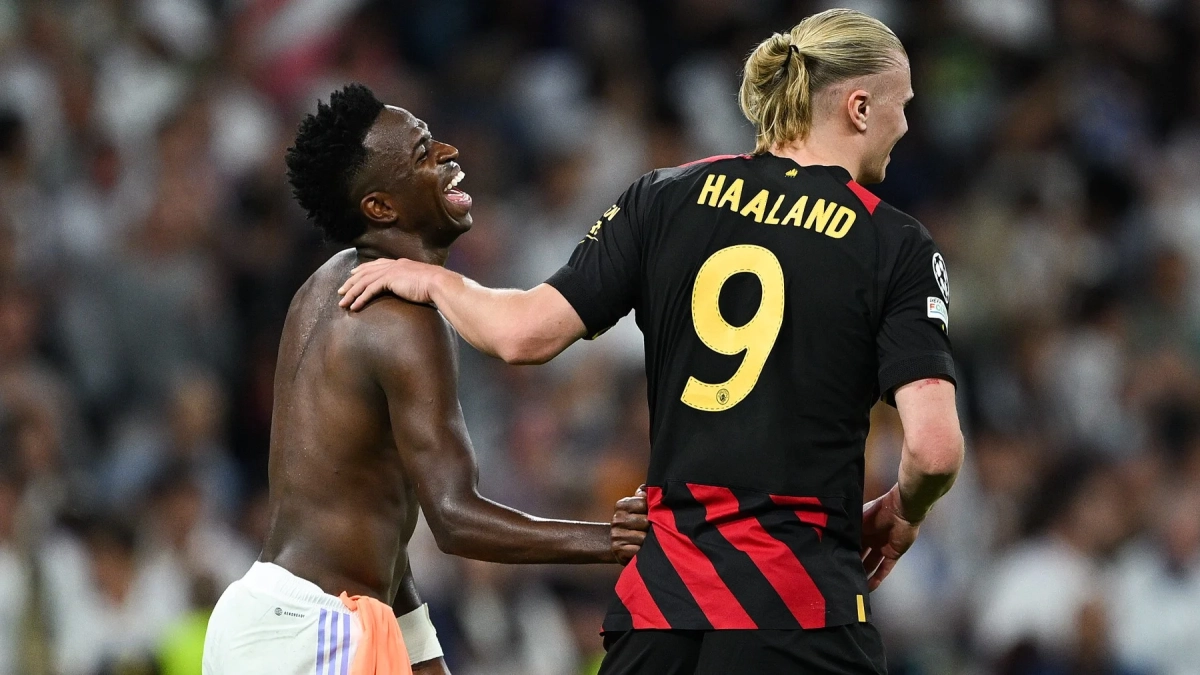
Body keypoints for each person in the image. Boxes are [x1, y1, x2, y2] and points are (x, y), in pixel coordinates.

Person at [339, 8, 965, 674]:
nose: (906, 126)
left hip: (662, 608)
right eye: (903, 106)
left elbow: (521, 332)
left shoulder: (663, 196)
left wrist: (433, 282)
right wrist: (902, 509)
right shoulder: (892, 244)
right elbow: (933, 448)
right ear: (861, 107)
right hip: (797, 604)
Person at [201, 84, 649, 675]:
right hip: (317, 629)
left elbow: (378, 515)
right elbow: (455, 518)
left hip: (279, 617)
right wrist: (612, 539)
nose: (447, 150)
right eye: (420, 153)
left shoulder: (326, 286)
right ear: (381, 208)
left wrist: (423, 657)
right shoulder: (402, 317)